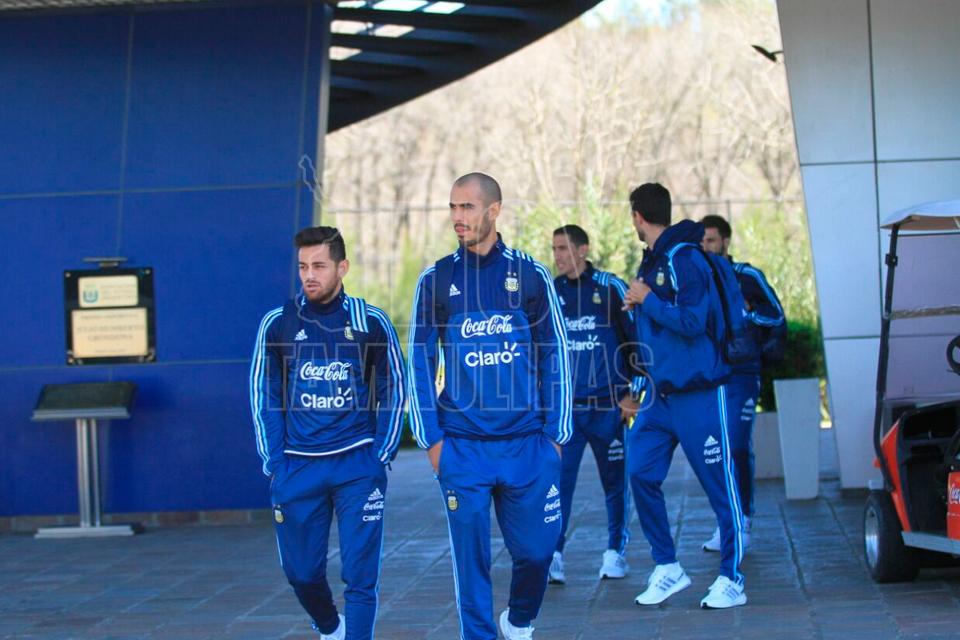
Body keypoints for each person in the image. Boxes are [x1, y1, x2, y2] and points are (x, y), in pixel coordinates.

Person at [407, 173, 572, 640]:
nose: (458, 217)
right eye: (453, 207)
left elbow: (555, 354)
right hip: (463, 448)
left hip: (528, 445)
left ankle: (518, 621)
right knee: (471, 562)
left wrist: (555, 435)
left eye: (468, 207)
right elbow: (418, 360)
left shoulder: (531, 276)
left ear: (494, 210)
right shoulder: (436, 279)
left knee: (537, 553)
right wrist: (432, 441)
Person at [250, 226, 406, 640]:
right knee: (301, 574)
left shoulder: (370, 322)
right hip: (298, 467)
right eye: (303, 266)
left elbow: (394, 386)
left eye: (319, 266)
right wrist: (275, 462)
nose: (309, 275)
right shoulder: (278, 323)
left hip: (357, 465)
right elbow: (264, 394)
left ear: (342, 267)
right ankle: (330, 627)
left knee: (360, 575)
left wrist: (381, 453)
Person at [619, 183, 747, 609]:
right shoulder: (653, 260)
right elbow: (660, 324)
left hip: (698, 394)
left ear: (638, 216)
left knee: (719, 487)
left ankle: (732, 579)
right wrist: (639, 305)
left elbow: (693, 321)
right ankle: (668, 567)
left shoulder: (685, 258)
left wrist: (649, 300)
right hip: (659, 398)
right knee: (640, 472)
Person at [548, 224, 635, 584]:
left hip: (608, 408)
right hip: (568, 413)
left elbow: (635, 340)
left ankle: (615, 552)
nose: (557, 256)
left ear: (582, 250)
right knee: (557, 485)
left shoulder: (610, 287)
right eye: (554, 249)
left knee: (615, 484)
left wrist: (632, 392)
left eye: (563, 248)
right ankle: (554, 554)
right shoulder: (552, 291)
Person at [700, 214, 785, 552]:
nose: (706, 247)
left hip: (743, 374)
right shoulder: (696, 280)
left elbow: (776, 314)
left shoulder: (747, 275)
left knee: (736, 445)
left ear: (726, 241)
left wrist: (745, 313)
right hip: (708, 378)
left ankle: (744, 517)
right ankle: (727, 521)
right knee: (715, 450)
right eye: (701, 242)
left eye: (711, 240)